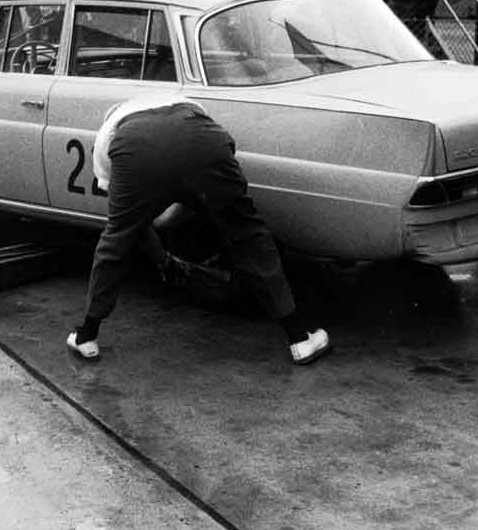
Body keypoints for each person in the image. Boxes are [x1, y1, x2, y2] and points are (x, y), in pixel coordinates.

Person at [65, 95, 331, 365]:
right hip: (206, 138)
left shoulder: (106, 138)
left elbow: (131, 224)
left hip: (137, 149)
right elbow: (198, 181)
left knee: (115, 241)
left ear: (112, 118)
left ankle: (86, 335)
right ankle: (299, 339)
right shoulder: (179, 102)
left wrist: (162, 261)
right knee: (249, 236)